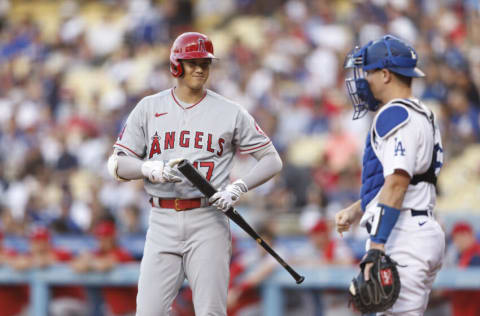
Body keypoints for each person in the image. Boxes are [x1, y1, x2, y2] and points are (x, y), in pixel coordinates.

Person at [106, 32, 283, 316]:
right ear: (177, 65)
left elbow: (272, 160)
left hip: (208, 219)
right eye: (192, 62)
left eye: (205, 62)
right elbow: (116, 163)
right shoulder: (149, 107)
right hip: (162, 218)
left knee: (211, 312)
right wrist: (147, 168)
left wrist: (237, 188)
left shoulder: (230, 111)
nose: (200, 68)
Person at [335, 35, 445, 315]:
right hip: (416, 227)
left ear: (385, 74)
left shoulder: (395, 115)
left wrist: (376, 248)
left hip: (403, 235)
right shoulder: (421, 112)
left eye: (369, 71)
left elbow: (397, 184)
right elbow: (406, 180)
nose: (364, 80)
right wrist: (358, 208)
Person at [14, 227, 87, 316]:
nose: (39, 245)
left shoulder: (60, 252)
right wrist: (29, 262)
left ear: (48, 243)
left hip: (72, 300)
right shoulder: (29, 256)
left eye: (42, 241)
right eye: (35, 242)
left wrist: (33, 262)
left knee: (55, 308)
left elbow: (44, 262)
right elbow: (19, 263)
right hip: (50, 303)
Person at [71, 221, 137, 316]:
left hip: (131, 309)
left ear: (113, 238)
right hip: (113, 310)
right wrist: (89, 260)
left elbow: (104, 265)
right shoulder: (98, 253)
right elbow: (77, 265)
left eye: (106, 238)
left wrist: (89, 261)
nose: (102, 241)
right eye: (100, 238)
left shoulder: (122, 253)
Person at [445, 222, 480, 316]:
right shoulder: (464, 255)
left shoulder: (476, 255)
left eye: (458, 238)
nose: (456, 242)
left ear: (467, 235)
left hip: (471, 309)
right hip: (462, 308)